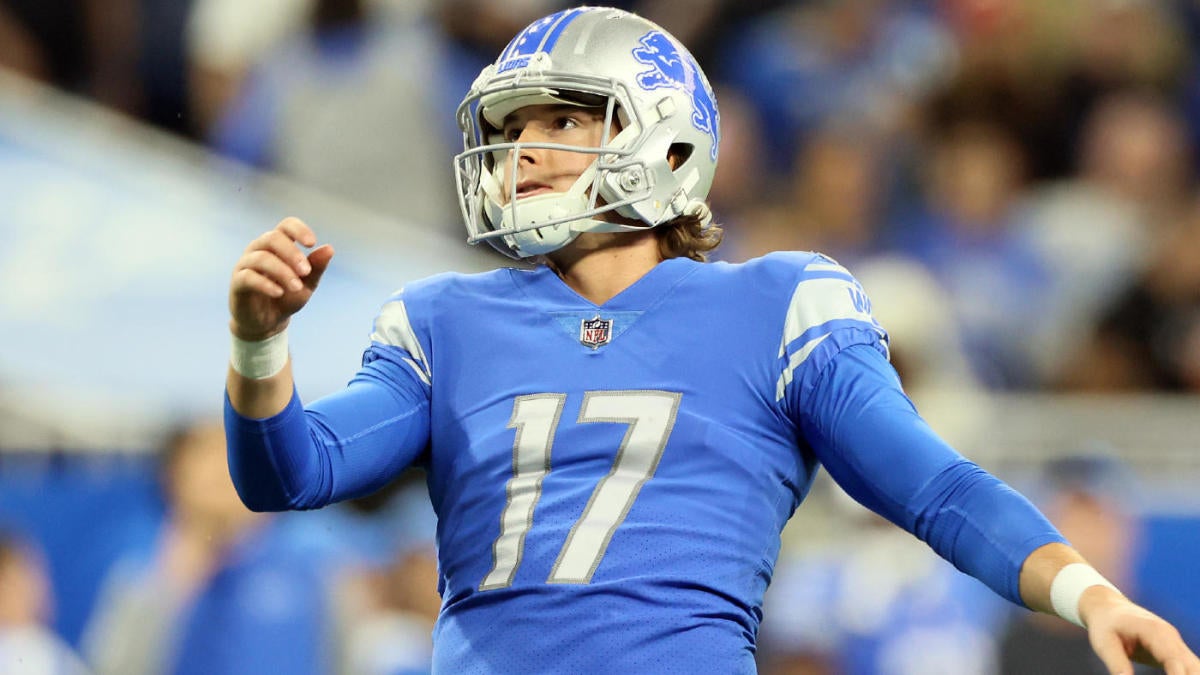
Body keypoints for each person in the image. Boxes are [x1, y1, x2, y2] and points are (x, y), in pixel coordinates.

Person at [223, 6, 1200, 673]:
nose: (523, 149)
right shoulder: (445, 316)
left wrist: (1088, 595)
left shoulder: (777, 306)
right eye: (513, 126)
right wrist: (259, 346)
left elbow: (935, 488)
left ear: (667, 144)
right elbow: (292, 473)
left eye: (562, 117)